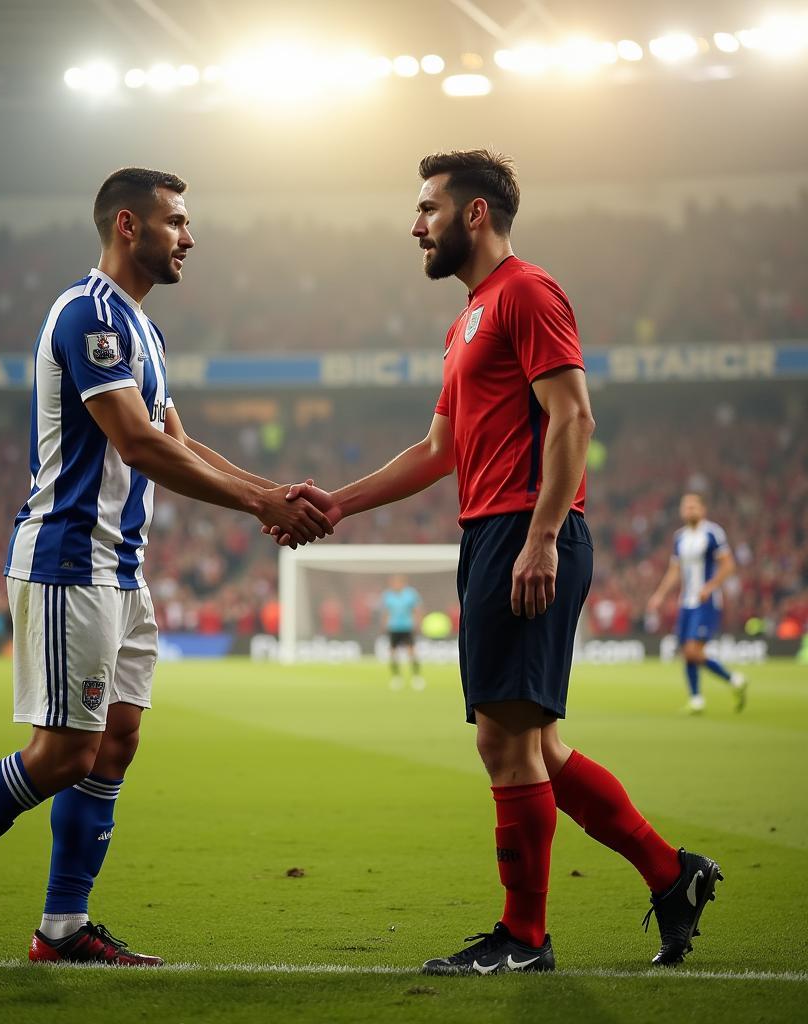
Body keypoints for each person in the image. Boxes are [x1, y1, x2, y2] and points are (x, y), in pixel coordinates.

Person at [0, 167, 332, 966]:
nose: (190, 237)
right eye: (176, 222)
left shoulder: (144, 330)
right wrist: (260, 507)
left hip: (120, 567)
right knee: (63, 754)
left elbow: (175, 440)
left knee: (114, 742)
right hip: (67, 560)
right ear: (127, 226)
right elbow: (138, 444)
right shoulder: (88, 316)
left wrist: (270, 492)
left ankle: (64, 929)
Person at [272, 150, 721, 974]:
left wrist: (544, 534)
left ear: (474, 214)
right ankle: (672, 874)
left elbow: (574, 417)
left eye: (427, 209)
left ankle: (523, 938)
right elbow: (439, 448)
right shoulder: (465, 320)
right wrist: (338, 502)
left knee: (503, 745)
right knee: (537, 748)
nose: (415, 226)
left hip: (526, 531)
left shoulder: (527, 291)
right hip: (490, 533)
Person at [647, 493, 747, 713]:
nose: (689, 510)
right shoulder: (680, 537)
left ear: (703, 509)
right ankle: (696, 699)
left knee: (693, 650)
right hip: (686, 602)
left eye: (694, 506)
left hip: (707, 601)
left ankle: (734, 679)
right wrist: (660, 595)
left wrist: (710, 587)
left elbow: (728, 565)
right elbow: (674, 571)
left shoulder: (712, 533)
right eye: (686, 507)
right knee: (686, 650)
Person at [380, 574, 424, 689]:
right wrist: (384, 624)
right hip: (394, 628)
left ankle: (416, 677)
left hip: (407, 627)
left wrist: (418, 622)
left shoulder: (410, 594)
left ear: (403, 583)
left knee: (412, 652)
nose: (396, 584)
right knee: (393, 653)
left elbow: (417, 609)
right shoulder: (388, 595)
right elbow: (386, 611)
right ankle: (396, 678)